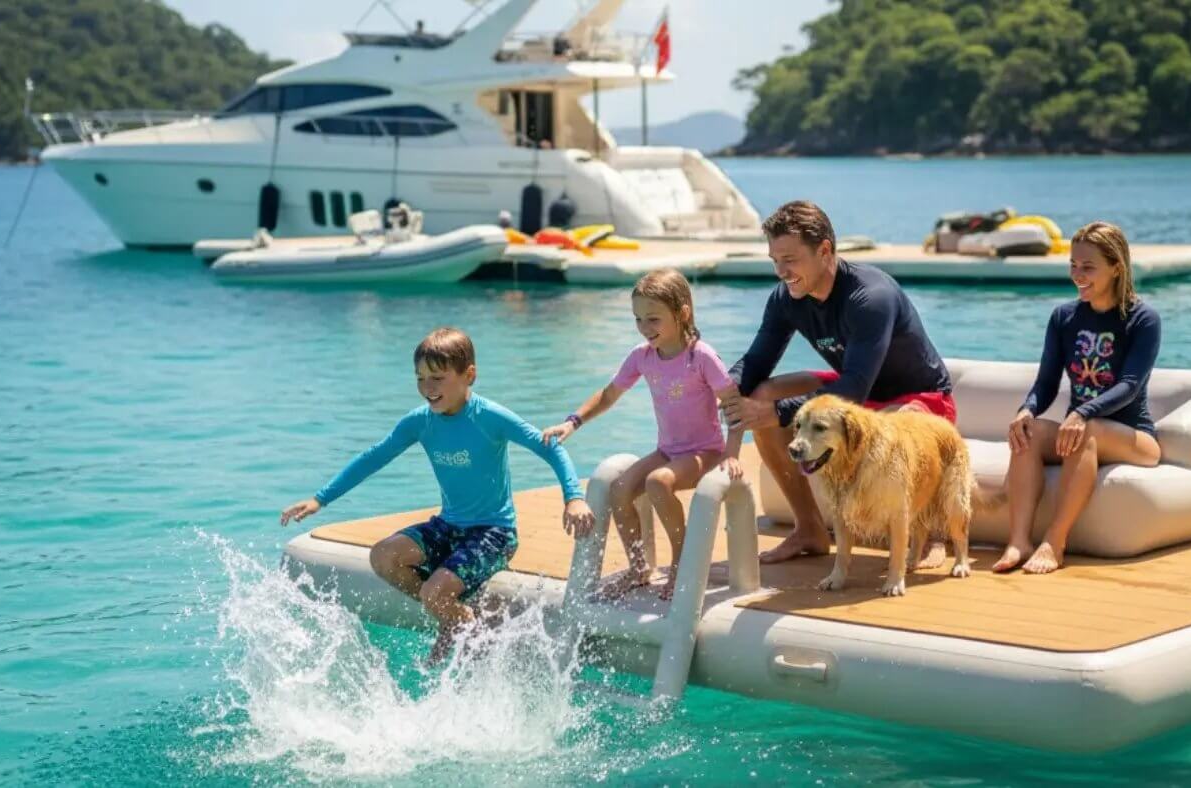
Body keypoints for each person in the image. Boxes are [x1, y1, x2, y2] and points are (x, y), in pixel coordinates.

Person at [279, 327, 594, 660]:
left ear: (468, 375)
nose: (427, 389)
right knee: (383, 556)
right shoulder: (420, 422)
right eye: (420, 379)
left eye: (437, 378)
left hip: (494, 534)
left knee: (434, 592)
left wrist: (573, 497)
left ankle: (453, 614)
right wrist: (320, 499)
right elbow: (374, 456)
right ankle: (456, 616)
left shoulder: (490, 417)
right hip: (448, 525)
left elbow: (551, 448)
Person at [724, 200, 954, 564]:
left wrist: (778, 412)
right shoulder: (787, 298)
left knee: (886, 424)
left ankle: (930, 532)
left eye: (790, 259)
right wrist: (721, 390)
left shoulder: (870, 297)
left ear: (825, 250)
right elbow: (756, 362)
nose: (781, 271)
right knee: (762, 391)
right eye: (774, 260)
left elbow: (853, 389)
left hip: (918, 401)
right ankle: (809, 529)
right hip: (858, 395)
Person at [543, 269, 744, 600]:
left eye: (653, 319)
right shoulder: (642, 356)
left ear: (682, 313)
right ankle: (640, 568)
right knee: (620, 488)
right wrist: (573, 422)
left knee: (657, 482)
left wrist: (732, 453)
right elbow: (609, 395)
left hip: (704, 452)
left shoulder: (701, 356)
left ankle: (682, 564)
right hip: (668, 450)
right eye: (638, 319)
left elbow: (735, 407)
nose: (644, 328)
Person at [993, 221, 1162, 574]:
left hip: (1134, 438)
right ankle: (1019, 540)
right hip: (1079, 432)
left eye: (1088, 267)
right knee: (1029, 432)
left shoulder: (1142, 319)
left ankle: (1055, 541)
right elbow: (1046, 383)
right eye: (1073, 265)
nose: (1077, 274)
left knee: (1087, 429)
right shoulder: (1064, 318)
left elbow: (1130, 384)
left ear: (1116, 267)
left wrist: (1084, 412)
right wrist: (1027, 409)